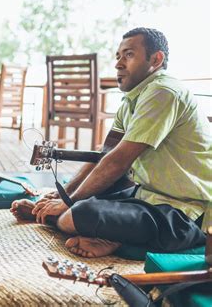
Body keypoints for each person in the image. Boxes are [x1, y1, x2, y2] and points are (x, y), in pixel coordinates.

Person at [11, 27, 212, 258]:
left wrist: (69, 203)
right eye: (118, 56)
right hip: (145, 196)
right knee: (82, 201)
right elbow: (105, 154)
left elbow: (118, 161)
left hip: (186, 214)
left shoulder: (163, 92)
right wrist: (63, 195)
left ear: (156, 59)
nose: (118, 63)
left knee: (79, 213)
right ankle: (69, 220)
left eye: (128, 55)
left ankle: (105, 236)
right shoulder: (131, 100)